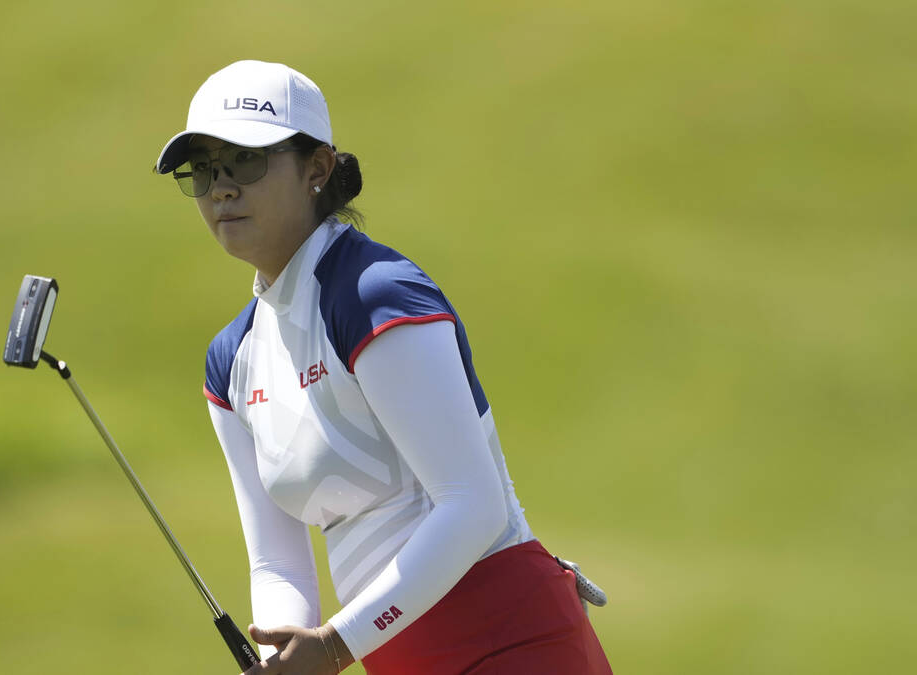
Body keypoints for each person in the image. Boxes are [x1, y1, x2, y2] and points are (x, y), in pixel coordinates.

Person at [153, 60, 612, 675]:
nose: (221, 188)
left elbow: (473, 506)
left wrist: (336, 645)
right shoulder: (230, 359)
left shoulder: (373, 293)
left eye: (245, 161)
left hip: (512, 639)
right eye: (204, 170)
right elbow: (277, 564)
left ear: (317, 169)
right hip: (395, 657)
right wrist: (279, 659)